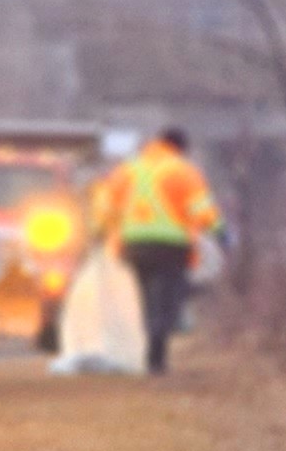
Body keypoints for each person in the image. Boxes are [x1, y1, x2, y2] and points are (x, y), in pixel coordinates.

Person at [89, 127, 219, 377]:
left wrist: (98, 232)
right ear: (181, 148)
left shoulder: (128, 169)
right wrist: (222, 233)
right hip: (171, 248)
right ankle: (156, 354)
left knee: (146, 298)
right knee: (168, 300)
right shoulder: (183, 171)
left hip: (133, 246)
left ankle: (150, 349)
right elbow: (203, 210)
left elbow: (105, 205)